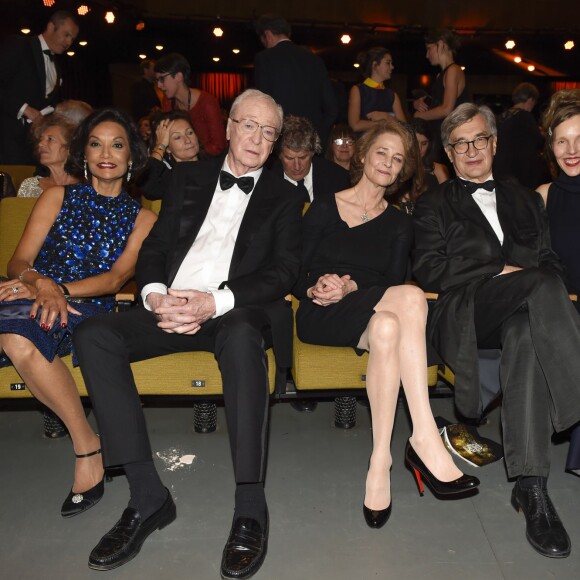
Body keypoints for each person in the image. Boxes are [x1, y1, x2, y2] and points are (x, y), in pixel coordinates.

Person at [73, 89, 302, 577]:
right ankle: (147, 495)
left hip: (231, 309)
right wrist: (156, 294)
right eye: (248, 125)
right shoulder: (190, 177)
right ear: (229, 127)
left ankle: (249, 506)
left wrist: (212, 301)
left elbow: (283, 272)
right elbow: (154, 247)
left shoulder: (285, 196)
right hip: (169, 303)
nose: (256, 138)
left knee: (243, 337)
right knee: (95, 334)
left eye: (268, 131)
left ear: (276, 140)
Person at [413, 102, 580, 559]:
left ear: (494, 142)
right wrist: (500, 269)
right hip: (468, 311)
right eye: (460, 143)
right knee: (538, 285)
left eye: (479, 139)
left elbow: (548, 261)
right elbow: (429, 270)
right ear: (448, 151)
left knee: (527, 332)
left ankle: (532, 487)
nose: (471, 150)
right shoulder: (432, 205)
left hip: (524, 309)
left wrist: (529, 278)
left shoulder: (524, 197)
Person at [294, 119, 479, 529]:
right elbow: (296, 270)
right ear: (363, 154)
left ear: (401, 172)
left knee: (390, 326)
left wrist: (351, 285)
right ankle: (424, 436)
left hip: (368, 306)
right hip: (319, 312)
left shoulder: (399, 223)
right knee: (410, 299)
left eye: (398, 159)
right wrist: (318, 287)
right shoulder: (325, 206)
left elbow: (390, 280)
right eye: (382, 152)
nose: (388, 163)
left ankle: (380, 460)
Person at [0, 108, 156, 519]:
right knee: (20, 323)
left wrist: (57, 289)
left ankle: (86, 448)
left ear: (132, 158)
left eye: (117, 145)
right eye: (96, 143)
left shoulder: (144, 219)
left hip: (89, 311)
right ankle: (90, 441)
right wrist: (39, 282)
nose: (106, 153)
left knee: (17, 334)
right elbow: (18, 262)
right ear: (83, 155)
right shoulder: (56, 196)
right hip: (33, 293)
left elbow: (115, 279)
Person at [536, 88, 580, 476]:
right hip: (560, 310)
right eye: (562, 140)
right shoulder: (543, 197)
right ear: (551, 147)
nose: (572, 149)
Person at [0, 10, 79, 164]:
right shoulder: (19, 45)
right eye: (66, 34)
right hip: (6, 142)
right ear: (51, 27)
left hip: (33, 147)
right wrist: (24, 109)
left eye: (72, 39)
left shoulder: (57, 65)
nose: (69, 42)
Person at [254, 14, 338, 148]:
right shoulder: (315, 60)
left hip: (279, 144)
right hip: (310, 145)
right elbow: (332, 109)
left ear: (268, 35)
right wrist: (318, 135)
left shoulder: (265, 59)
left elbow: (263, 104)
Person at [155, 53, 226, 157]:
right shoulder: (167, 102)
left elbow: (219, 145)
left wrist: (190, 154)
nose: (159, 85)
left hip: (208, 163)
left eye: (162, 79)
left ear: (179, 76)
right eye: (157, 80)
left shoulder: (207, 102)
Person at [413, 29, 467, 163]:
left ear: (441, 44)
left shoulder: (453, 70)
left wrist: (418, 116)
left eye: (429, 49)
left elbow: (446, 109)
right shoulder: (442, 74)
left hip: (449, 138)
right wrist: (419, 105)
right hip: (440, 137)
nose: (427, 55)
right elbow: (439, 106)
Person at [271, 115, 351, 204]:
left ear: (313, 152)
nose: (297, 166)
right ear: (279, 155)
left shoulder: (337, 179)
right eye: (289, 158)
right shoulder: (266, 182)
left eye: (303, 157)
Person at [138, 110, 200, 201]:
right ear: (168, 148)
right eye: (177, 137)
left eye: (190, 133)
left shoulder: (214, 167)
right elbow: (148, 188)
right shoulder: (170, 178)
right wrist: (160, 145)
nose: (187, 140)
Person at [494, 82, 546, 189]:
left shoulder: (501, 117)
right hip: (520, 174)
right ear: (530, 100)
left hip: (500, 171)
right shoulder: (525, 116)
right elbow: (538, 141)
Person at [348, 47, 406, 137]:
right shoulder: (358, 90)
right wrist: (384, 122)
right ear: (374, 65)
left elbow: (404, 128)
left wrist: (385, 116)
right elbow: (355, 125)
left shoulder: (392, 95)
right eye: (388, 63)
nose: (392, 67)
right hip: (364, 147)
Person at [17, 113, 79, 197]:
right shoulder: (30, 186)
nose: (41, 144)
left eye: (50, 139)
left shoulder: (85, 188)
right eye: (41, 139)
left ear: (69, 147)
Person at [410, 117, 449, 189]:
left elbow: (446, 199)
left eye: (424, 143)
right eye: (415, 143)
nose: (419, 149)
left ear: (430, 145)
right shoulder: (397, 167)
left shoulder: (438, 170)